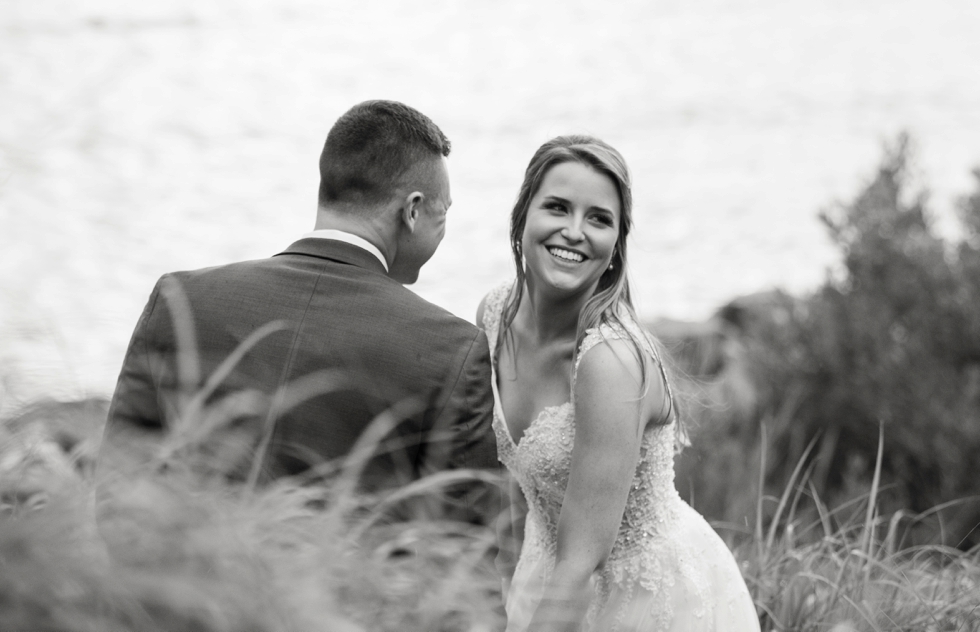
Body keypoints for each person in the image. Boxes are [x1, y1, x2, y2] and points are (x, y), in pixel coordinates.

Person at [99, 100, 497, 519]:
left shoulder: (181, 298)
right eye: (443, 212)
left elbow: (116, 484)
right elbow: (456, 545)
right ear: (412, 211)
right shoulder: (454, 351)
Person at [477, 135, 760, 631]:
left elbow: (581, 564)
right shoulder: (495, 316)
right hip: (541, 572)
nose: (574, 231)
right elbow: (505, 489)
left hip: (642, 600)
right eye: (557, 208)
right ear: (522, 217)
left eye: (599, 219)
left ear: (616, 247)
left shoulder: (610, 361)